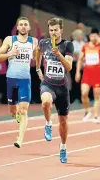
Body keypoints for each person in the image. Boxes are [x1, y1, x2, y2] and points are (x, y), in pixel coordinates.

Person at [35, 17, 74, 163]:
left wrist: (59, 55)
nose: (53, 33)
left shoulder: (67, 45)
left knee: (63, 121)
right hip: (48, 84)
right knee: (46, 102)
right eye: (51, 30)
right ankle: (48, 124)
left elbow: (69, 67)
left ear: (61, 30)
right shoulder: (43, 43)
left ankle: (63, 147)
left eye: (56, 30)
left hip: (62, 88)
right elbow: (37, 51)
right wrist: (38, 67)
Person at [0, 17, 38, 148]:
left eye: (26, 24)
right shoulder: (10, 40)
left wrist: (38, 65)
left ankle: (19, 139)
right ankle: (15, 114)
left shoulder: (34, 41)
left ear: (29, 28)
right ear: (17, 28)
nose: (23, 27)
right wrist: (10, 53)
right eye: (21, 24)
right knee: (13, 110)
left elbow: (37, 57)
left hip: (25, 80)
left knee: (23, 110)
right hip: (11, 79)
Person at [75, 28, 100, 123]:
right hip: (87, 74)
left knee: (97, 96)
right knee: (84, 93)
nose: (93, 37)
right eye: (92, 35)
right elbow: (79, 59)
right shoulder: (85, 46)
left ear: (97, 36)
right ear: (89, 36)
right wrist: (78, 72)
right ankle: (87, 111)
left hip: (97, 75)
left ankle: (95, 116)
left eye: (95, 35)